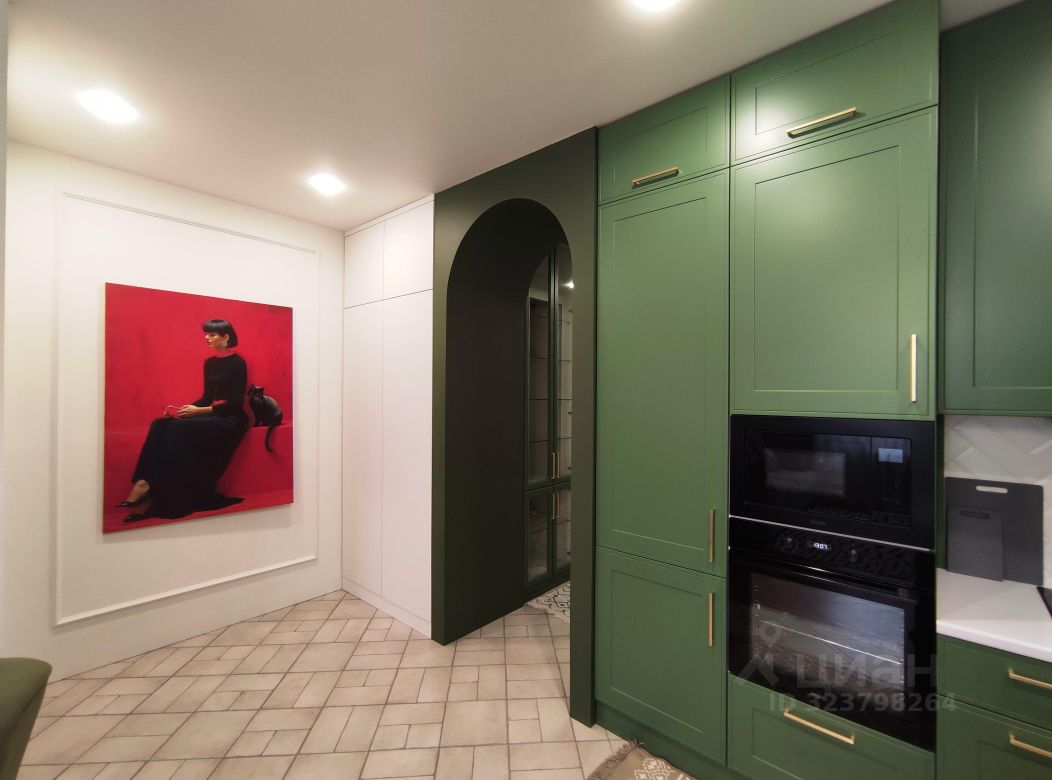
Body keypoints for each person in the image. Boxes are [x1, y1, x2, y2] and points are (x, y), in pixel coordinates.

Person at [118, 319, 249, 522]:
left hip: (232, 419)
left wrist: (198, 411)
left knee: (177, 431)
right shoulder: (210, 363)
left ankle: (160, 490)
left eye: (212, 334)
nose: (207, 337)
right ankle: (142, 482)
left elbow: (236, 403)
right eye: (206, 334)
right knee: (160, 424)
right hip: (213, 413)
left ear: (226, 337)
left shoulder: (238, 363)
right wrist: (182, 410)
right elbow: (207, 397)